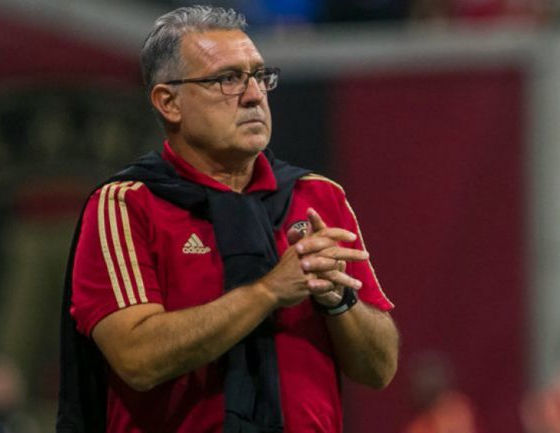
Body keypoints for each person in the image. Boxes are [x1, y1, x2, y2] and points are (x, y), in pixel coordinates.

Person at [56, 6, 399, 433]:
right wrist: (270, 290)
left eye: (260, 76)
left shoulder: (317, 197)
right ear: (169, 103)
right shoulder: (126, 205)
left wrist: (338, 299)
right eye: (227, 79)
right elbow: (138, 358)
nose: (254, 94)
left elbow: (380, 370)